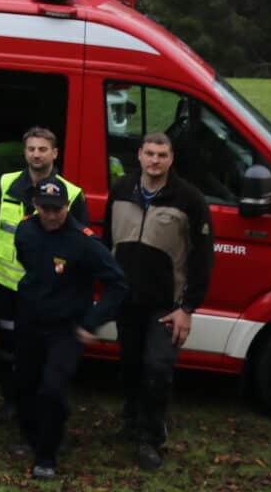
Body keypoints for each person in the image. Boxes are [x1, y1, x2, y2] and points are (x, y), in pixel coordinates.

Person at [105, 131, 213, 470]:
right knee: (131, 366)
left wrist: (188, 308)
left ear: (171, 158)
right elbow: (108, 241)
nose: (155, 160)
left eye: (162, 155)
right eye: (149, 153)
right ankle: (132, 420)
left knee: (157, 368)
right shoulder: (121, 189)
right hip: (127, 300)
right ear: (138, 155)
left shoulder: (190, 199)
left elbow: (202, 258)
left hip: (166, 305)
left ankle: (151, 438)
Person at [10, 180, 128, 480]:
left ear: (67, 207)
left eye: (57, 209)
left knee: (52, 388)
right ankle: (32, 436)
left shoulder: (84, 242)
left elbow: (117, 284)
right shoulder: (25, 230)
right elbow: (30, 266)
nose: (51, 215)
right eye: (45, 208)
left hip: (66, 328)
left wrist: (92, 321)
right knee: (24, 384)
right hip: (29, 323)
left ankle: (47, 456)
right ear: (35, 205)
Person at [0, 126, 88, 420]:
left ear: (55, 153)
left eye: (43, 149)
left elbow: (81, 247)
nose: (36, 154)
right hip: (5, 284)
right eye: (31, 149)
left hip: (43, 290)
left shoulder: (72, 194)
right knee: (6, 346)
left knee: (36, 350)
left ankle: (35, 405)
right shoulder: (6, 183)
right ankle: (10, 401)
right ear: (24, 152)